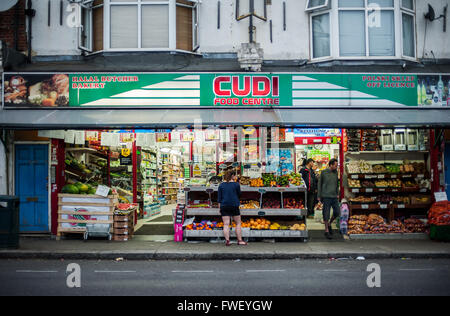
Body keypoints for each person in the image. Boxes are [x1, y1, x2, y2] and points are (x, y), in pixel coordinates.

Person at [218, 171, 247, 246]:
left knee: (226, 224)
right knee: (238, 223)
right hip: (234, 205)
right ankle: (240, 240)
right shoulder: (236, 185)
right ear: (232, 176)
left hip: (224, 205)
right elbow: (239, 194)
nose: (235, 177)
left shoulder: (221, 185)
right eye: (235, 176)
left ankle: (227, 241)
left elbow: (219, 198)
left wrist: (219, 208)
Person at [317, 158, 340, 240]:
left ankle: (330, 223)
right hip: (326, 196)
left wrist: (338, 193)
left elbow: (337, 184)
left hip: (334, 196)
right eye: (335, 165)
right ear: (330, 165)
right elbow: (319, 184)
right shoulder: (323, 172)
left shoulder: (335, 172)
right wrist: (319, 196)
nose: (336, 167)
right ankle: (326, 230)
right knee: (326, 213)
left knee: (337, 212)